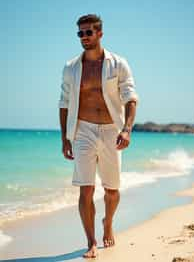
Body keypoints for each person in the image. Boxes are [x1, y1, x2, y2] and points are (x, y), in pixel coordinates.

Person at [58, 14, 138, 258]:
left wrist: (126, 129)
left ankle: (108, 222)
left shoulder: (118, 63)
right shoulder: (71, 67)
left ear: (100, 33)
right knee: (86, 189)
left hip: (111, 130)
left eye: (88, 33)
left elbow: (131, 98)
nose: (83, 37)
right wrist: (65, 138)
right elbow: (64, 103)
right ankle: (91, 241)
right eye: (80, 33)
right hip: (82, 131)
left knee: (112, 191)